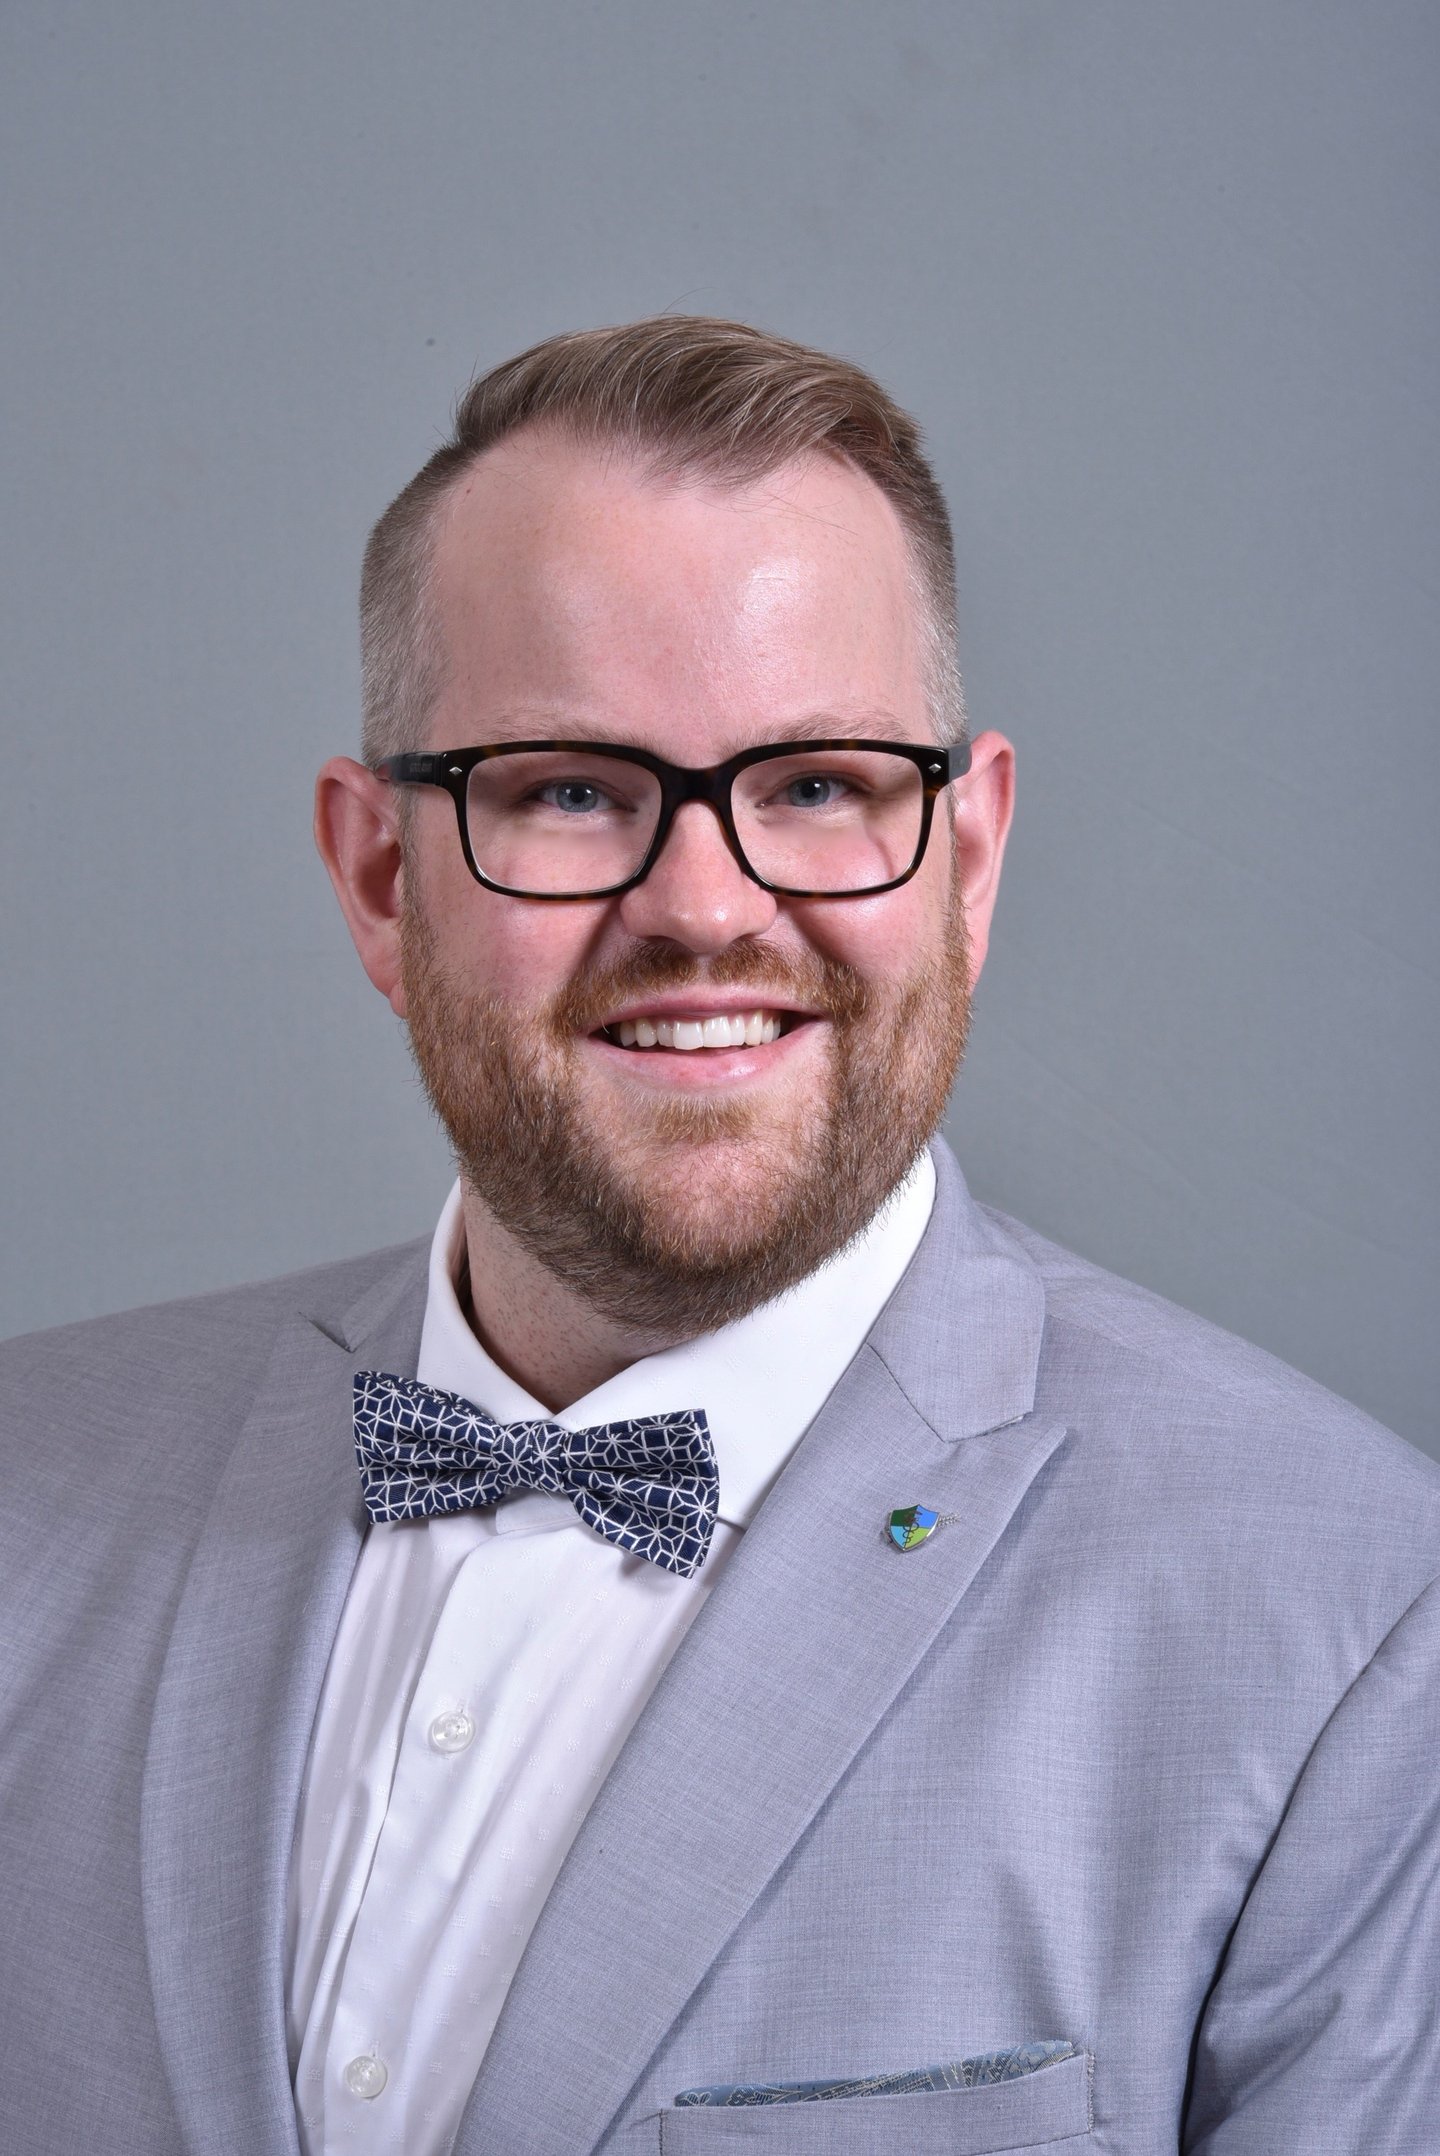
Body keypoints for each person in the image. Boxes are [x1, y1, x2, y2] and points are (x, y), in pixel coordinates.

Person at [2, 317, 1437, 2156]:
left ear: (970, 857)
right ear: (380, 879)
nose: (705, 908)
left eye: (821, 787)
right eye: (572, 790)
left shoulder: (1355, 1625)